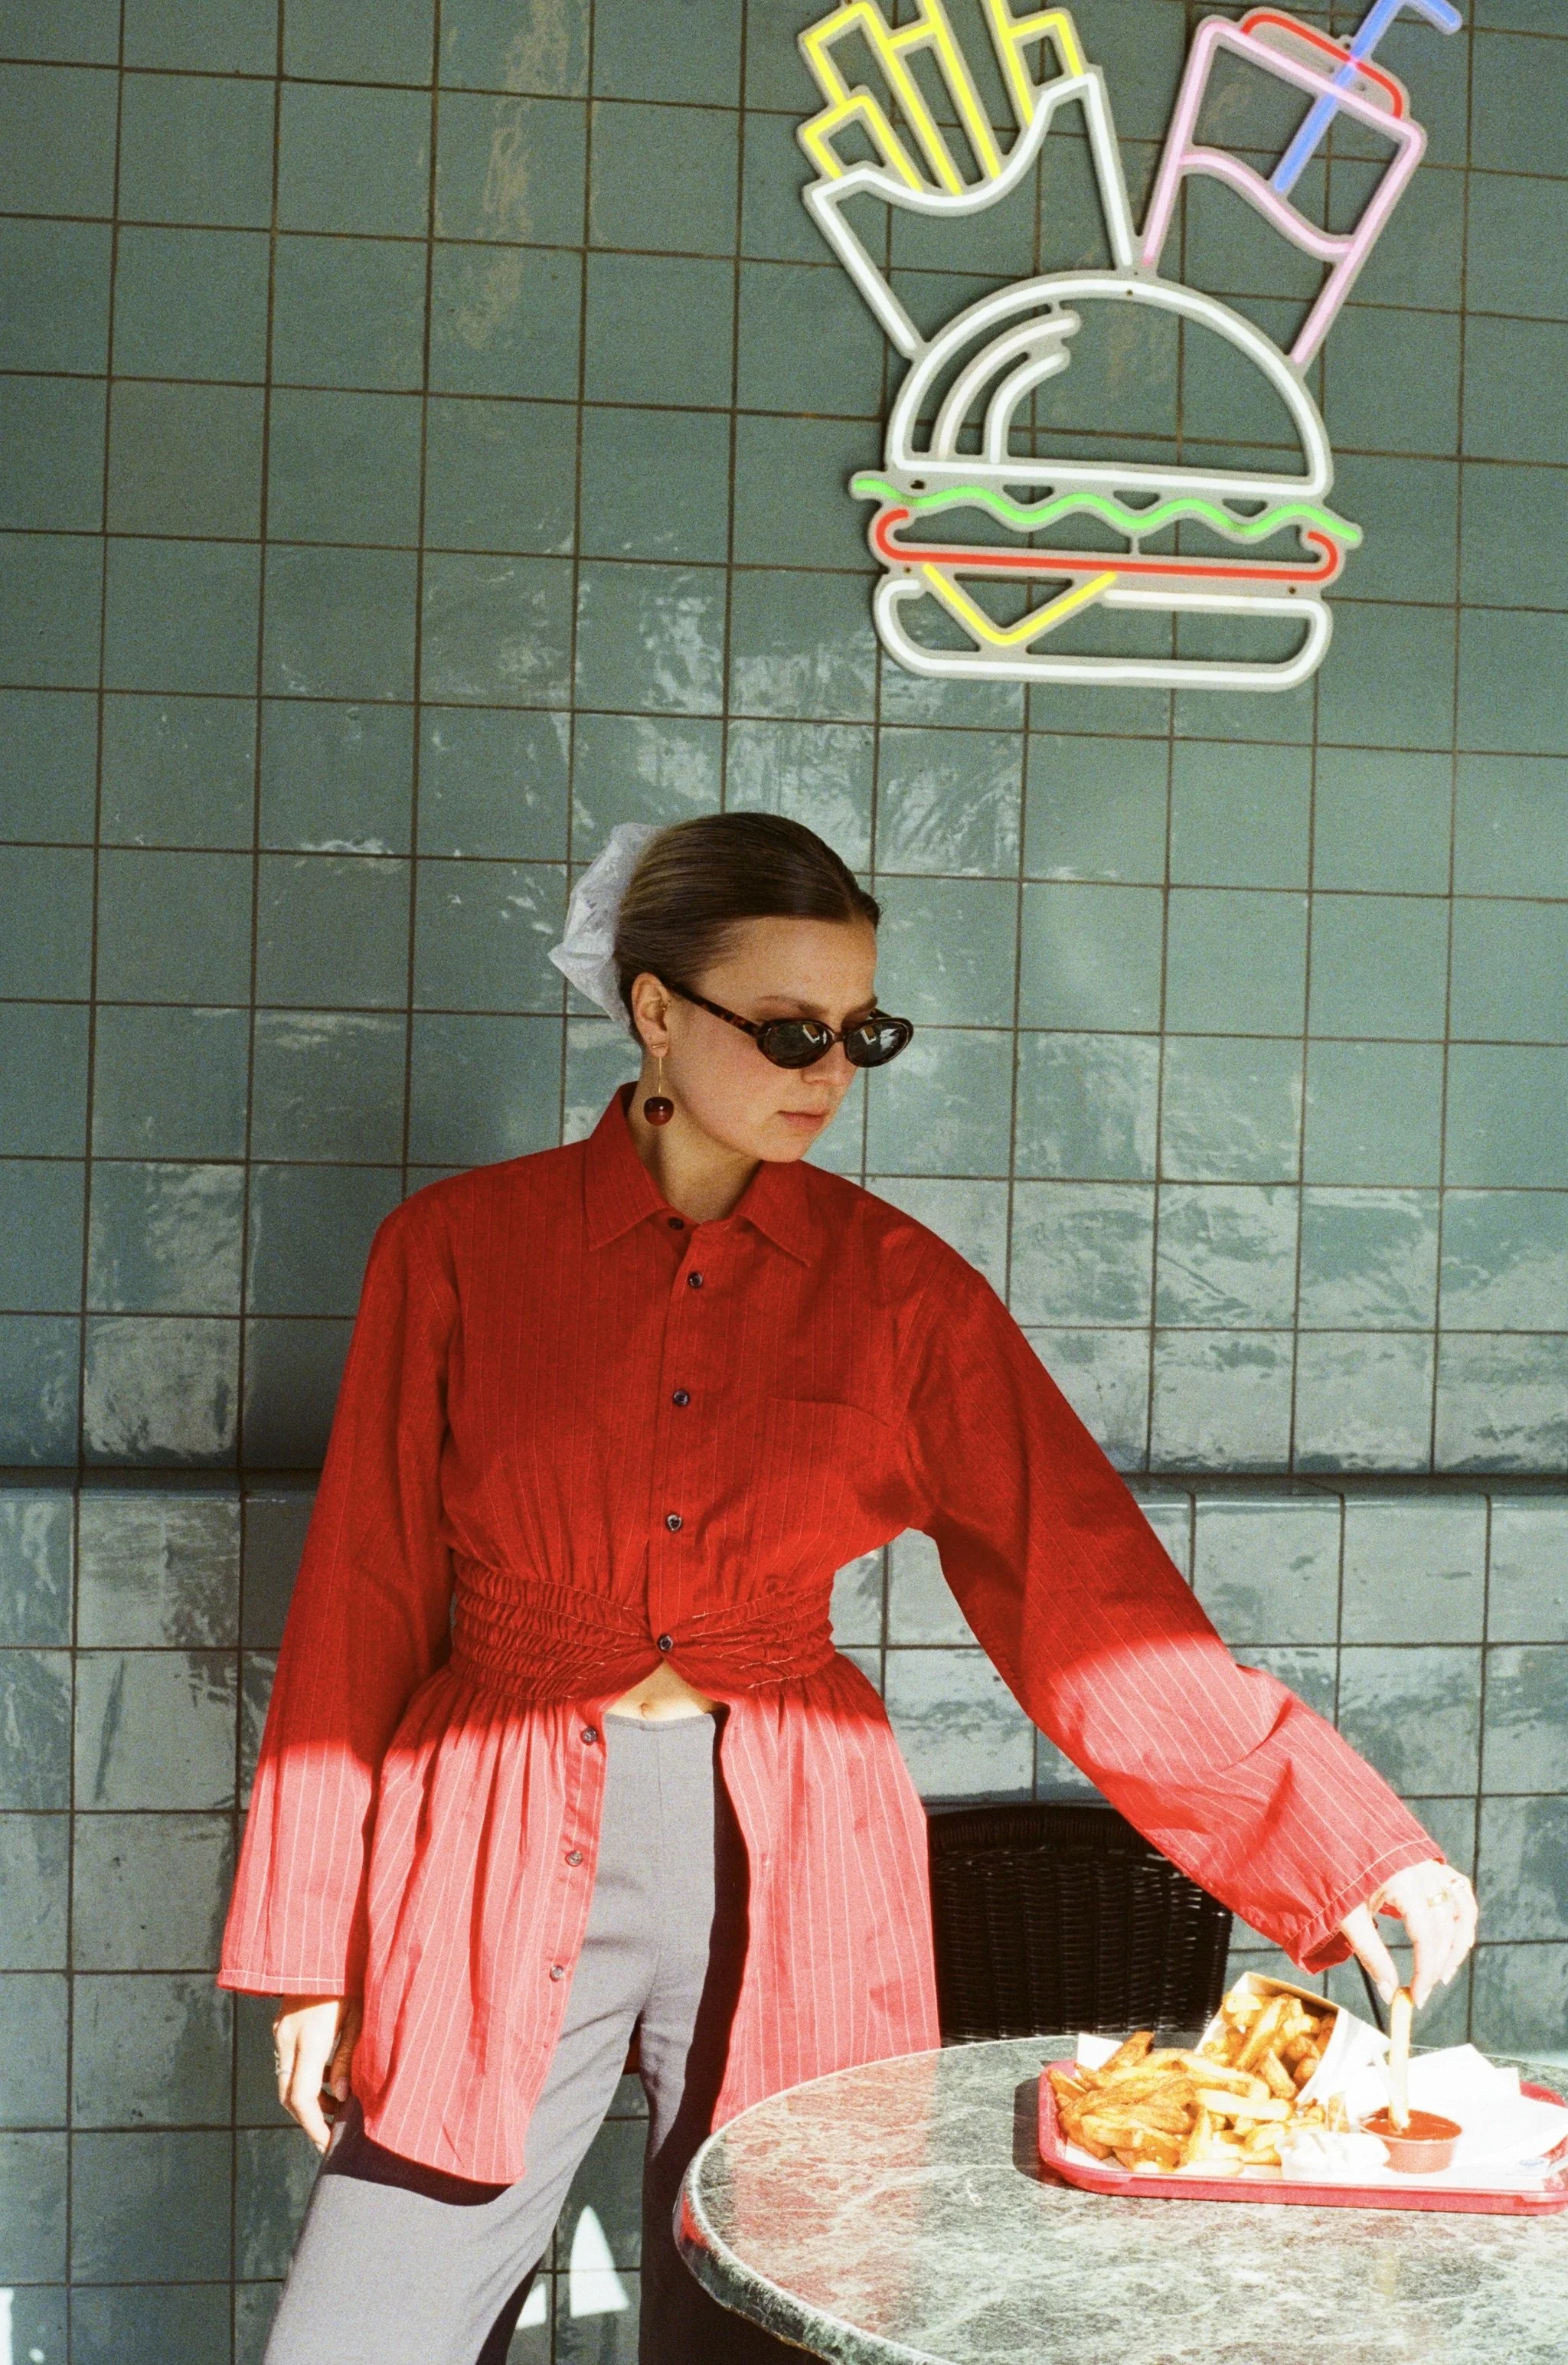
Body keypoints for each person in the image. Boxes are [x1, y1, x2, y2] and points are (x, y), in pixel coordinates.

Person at [220, 812, 1477, 2365]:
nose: (827, 1071)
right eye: (790, 1028)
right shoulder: (459, 1253)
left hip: (797, 1837)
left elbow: (1081, 1591)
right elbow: (364, 1583)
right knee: (366, 2332)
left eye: (859, 1031)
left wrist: (1339, 1841)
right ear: (658, 1009)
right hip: (487, 1811)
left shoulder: (903, 1291)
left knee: (780, 2310)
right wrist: (304, 1950)